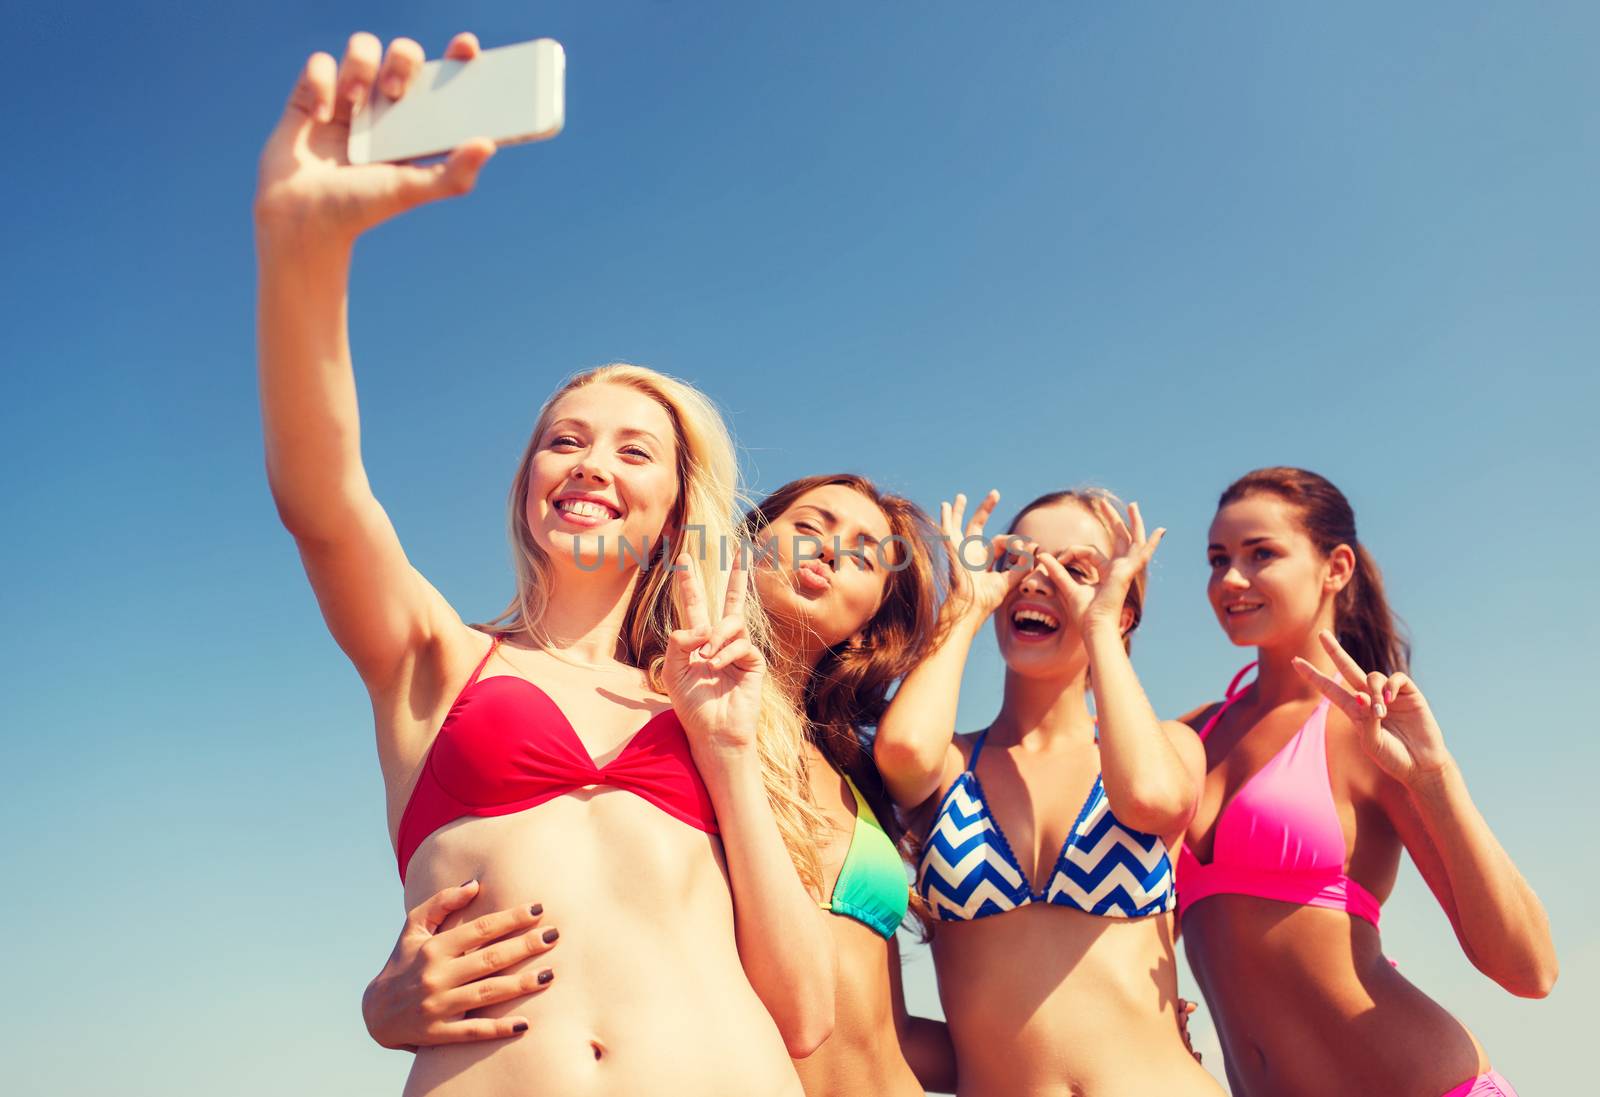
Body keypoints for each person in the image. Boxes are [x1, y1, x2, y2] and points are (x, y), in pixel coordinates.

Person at [255, 29, 835, 1096]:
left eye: (633, 449)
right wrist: (301, 247)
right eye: (563, 440)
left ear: (672, 507)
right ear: (526, 483)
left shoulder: (715, 702)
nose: (592, 465)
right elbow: (324, 501)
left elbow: (803, 1010)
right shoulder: (435, 659)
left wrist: (723, 750)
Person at [366, 474, 960, 1096]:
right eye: (807, 528)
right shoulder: (655, 717)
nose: (830, 551)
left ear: (872, 621)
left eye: (865, 554)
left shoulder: (854, 775)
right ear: (740, 549)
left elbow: (884, 1029)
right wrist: (384, 1006)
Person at [1177, 466, 1557, 1097]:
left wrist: (1434, 777)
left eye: (1261, 554)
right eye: (1217, 560)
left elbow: (1529, 969)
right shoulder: (1187, 738)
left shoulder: (1366, 727)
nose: (1230, 581)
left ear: (1336, 567)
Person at [874, 489, 1221, 1097]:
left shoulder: (1169, 746)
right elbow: (901, 753)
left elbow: (1151, 799)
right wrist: (964, 606)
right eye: (1019, 560)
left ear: (1123, 609)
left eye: (1075, 568)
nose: (1038, 578)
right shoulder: (948, 761)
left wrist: (1100, 629)